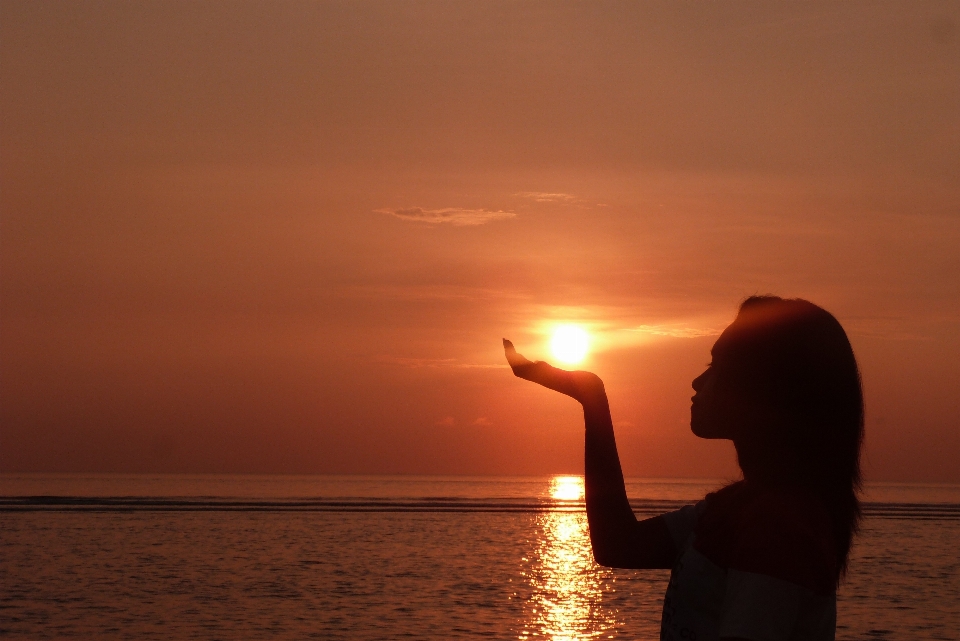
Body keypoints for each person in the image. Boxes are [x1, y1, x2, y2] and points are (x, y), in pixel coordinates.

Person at [503, 296, 864, 641]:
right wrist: (591, 397)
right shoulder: (735, 510)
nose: (697, 382)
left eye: (716, 367)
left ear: (762, 388)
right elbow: (618, 545)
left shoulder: (779, 528)